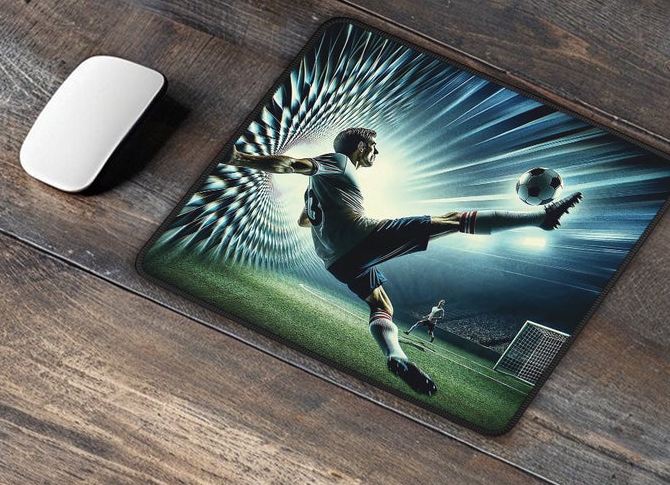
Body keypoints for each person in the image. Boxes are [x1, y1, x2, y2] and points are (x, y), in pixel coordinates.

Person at [232, 128, 580, 397]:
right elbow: (291, 164)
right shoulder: (337, 162)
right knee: (453, 219)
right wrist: (241, 158)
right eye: (373, 147)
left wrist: (318, 212)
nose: (376, 153)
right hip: (362, 239)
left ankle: (396, 356)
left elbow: (304, 222)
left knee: (382, 305)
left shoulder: (317, 187)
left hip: (335, 261)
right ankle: (540, 219)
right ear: (359, 146)